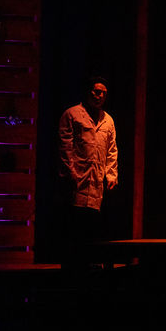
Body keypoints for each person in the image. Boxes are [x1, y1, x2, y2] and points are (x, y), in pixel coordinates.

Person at [58, 77, 118, 267]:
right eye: (96, 91)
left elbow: (111, 150)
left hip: (97, 180)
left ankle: (92, 264)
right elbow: (65, 146)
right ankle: (73, 266)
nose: (99, 95)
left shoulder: (107, 120)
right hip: (76, 178)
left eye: (103, 93)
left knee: (93, 224)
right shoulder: (72, 114)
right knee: (74, 223)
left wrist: (112, 174)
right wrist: (71, 173)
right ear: (87, 91)